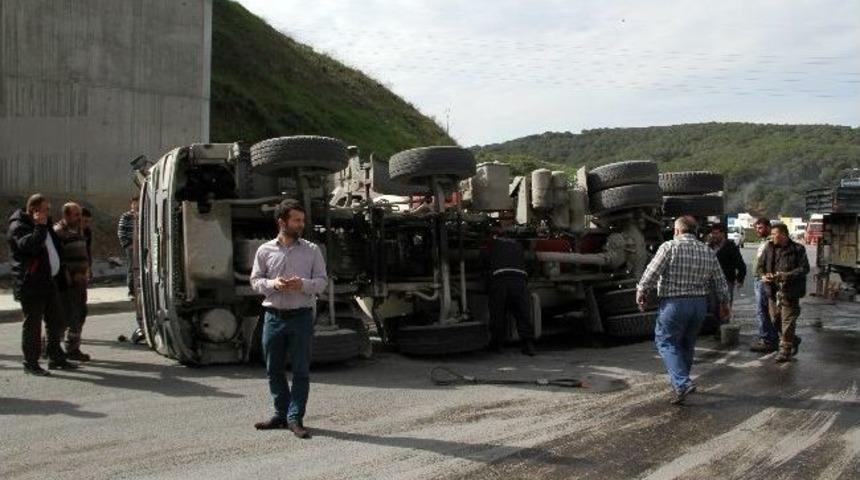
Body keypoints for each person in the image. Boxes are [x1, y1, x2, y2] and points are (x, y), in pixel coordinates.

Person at [250, 199, 327, 438]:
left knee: (301, 371)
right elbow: (255, 281)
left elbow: (322, 282)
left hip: (301, 317)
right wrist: (274, 284)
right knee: (273, 369)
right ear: (282, 222)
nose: (301, 224)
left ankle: (295, 418)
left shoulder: (312, 250)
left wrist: (302, 284)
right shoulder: (265, 250)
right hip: (273, 317)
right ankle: (281, 414)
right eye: (296, 220)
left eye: (302, 220)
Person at [637, 216, 730, 405]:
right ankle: (681, 386)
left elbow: (651, 273)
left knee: (666, 341)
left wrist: (642, 291)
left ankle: (682, 382)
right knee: (687, 343)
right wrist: (724, 303)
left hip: (675, 304)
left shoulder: (669, 247)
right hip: (699, 305)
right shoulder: (707, 251)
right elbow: (720, 281)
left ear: (677, 231)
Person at [7, 194, 78, 375]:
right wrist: (39, 226)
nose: (49, 212)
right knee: (33, 325)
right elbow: (28, 246)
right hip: (31, 283)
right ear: (34, 210)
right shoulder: (19, 226)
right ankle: (30, 363)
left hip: (48, 281)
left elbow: (54, 247)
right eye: (45, 209)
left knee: (56, 321)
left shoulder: (46, 225)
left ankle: (55, 357)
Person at [758, 223, 809, 363]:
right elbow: (760, 266)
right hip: (772, 291)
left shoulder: (798, 249)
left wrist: (785, 275)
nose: (772, 236)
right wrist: (763, 275)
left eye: (774, 234)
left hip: (790, 291)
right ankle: (792, 339)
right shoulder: (769, 248)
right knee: (775, 320)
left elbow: (804, 269)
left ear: (783, 235)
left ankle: (785, 350)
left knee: (787, 321)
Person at [483, 231, 536, 356]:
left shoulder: (491, 245)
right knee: (522, 313)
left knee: (498, 313)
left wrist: (486, 281)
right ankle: (528, 345)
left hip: (500, 280)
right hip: (519, 279)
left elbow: (483, 261)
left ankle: (497, 344)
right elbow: (531, 261)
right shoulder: (518, 245)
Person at [54, 203, 92, 361]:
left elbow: (85, 252)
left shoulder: (80, 230)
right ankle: (50, 346)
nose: (79, 217)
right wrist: (68, 274)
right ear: (67, 215)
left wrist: (87, 269)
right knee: (64, 316)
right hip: (67, 283)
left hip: (81, 282)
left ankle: (73, 348)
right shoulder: (58, 232)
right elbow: (57, 258)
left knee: (80, 313)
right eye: (76, 215)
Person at [750, 218, 779, 353]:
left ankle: (767, 339)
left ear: (768, 227)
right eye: (756, 228)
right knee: (763, 310)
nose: (757, 230)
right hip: (759, 279)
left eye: (760, 228)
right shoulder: (764, 241)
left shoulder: (771, 242)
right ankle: (769, 337)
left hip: (764, 280)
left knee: (763, 310)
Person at [709, 223, 746, 306]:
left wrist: (740, 279)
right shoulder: (710, 246)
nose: (713, 236)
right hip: (711, 281)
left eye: (716, 233)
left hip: (726, 280)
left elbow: (740, 264)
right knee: (712, 306)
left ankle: (725, 318)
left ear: (722, 234)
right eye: (712, 233)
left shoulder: (730, 246)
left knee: (725, 305)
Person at [117, 196, 138, 298]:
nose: (136, 205)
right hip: (131, 246)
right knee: (132, 268)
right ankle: (132, 291)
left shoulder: (144, 215)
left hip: (142, 246)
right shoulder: (126, 216)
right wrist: (127, 245)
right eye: (134, 203)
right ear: (131, 204)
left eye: (137, 203)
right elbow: (121, 232)